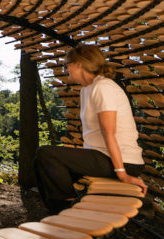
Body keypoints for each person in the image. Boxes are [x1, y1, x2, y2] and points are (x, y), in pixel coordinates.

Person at [34, 45, 147, 214]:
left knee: (46, 154)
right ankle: (60, 211)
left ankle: (67, 211)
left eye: (67, 64)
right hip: (103, 156)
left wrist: (122, 174)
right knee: (42, 166)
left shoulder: (103, 87)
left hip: (123, 160)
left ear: (79, 64)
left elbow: (109, 133)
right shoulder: (87, 89)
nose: (66, 69)